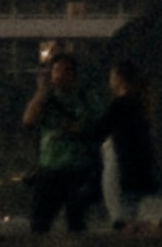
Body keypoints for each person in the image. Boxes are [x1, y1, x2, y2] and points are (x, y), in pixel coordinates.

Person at [23, 47, 122, 235]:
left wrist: (82, 130)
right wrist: (41, 93)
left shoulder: (86, 99)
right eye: (57, 71)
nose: (61, 75)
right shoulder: (47, 100)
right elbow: (28, 121)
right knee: (40, 222)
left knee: (76, 220)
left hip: (79, 169)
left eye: (66, 71)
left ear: (75, 75)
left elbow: (102, 126)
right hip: (50, 167)